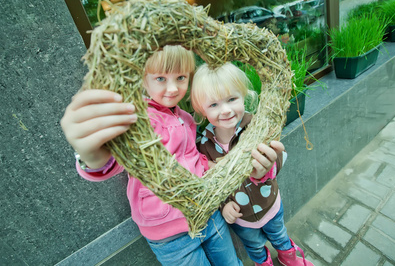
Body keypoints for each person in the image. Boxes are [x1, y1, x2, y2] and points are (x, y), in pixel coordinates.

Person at [60, 45, 285, 266]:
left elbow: (193, 159)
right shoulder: (139, 122)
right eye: (160, 78)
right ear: (143, 78)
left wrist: (216, 166)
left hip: (208, 214)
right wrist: (90, 156)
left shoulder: (186, 119)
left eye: (180, 77)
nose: (172, 88)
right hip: (169, 231)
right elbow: (116, 159)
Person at [191, 62, 314, 266]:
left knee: (279, 235)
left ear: (243, 95)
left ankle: (288, 256)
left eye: (232, 99)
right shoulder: (204, 146)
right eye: (214, 105)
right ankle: (262, 262)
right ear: (201, 110)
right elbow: (211, 184)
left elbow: (279, 157)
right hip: (241, 218)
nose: (226, 110)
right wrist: (223, 207)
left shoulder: (256, 126)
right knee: (254, 246)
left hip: (269, 203)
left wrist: (267, 169)